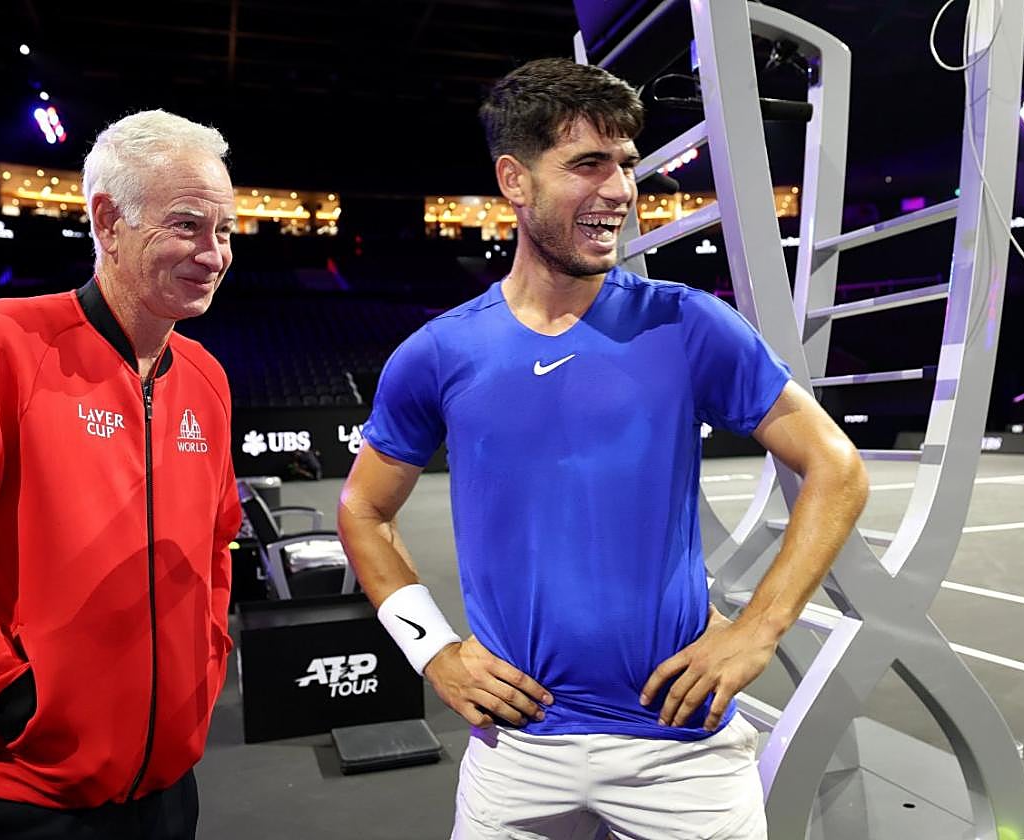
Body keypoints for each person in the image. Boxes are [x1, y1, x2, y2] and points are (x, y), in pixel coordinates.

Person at [337, 58, 869, 840]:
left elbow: (838, 467)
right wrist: (435, 653)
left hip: (680, 748)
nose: (619, 190)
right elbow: (362, 508)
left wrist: (759, 628)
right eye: (588, 164)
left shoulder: (687, 324)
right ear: (514, 181)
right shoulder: (439, 353)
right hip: (516, 749)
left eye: (626, 165)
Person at [0, 109, 243, 840]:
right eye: (187, 224)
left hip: (168, 789)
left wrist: (207, 661)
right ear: (107, 221)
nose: (213, 253)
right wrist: (7, 692)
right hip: (19, 791)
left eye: (224, 231)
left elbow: (217, 545)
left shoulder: (209, 380)